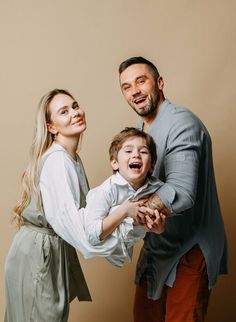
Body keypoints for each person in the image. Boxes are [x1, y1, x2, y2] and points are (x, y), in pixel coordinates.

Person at [4, 89, 152, 322]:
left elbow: (87, 219)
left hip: (50, 248)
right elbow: (83, 233)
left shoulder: (72, 158)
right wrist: (125, 213)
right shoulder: (58, 161)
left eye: (75, 106)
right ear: (52, 127)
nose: (75, 113)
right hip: (37, 253)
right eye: (64, 112)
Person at [118, 56, 228, 322]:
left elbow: (182, 190)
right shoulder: (138, 134)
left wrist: (131, 213)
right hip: (155, 248)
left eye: (141, 81)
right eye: (126, 86)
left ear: (159, 82)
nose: (135, 90)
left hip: (189, 248)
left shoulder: (182, 124)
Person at [84, 127, 166, 267]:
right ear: (115, 163)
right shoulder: (106, 190)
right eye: (128, 151)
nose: (136, 155)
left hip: (123, 248)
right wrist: (124, 211)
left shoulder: (157, 189)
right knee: (116, 210)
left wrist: (159, 229)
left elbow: (154, 224)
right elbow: (91, 236)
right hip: (97, 243)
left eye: (143, 151)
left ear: (151, 166)